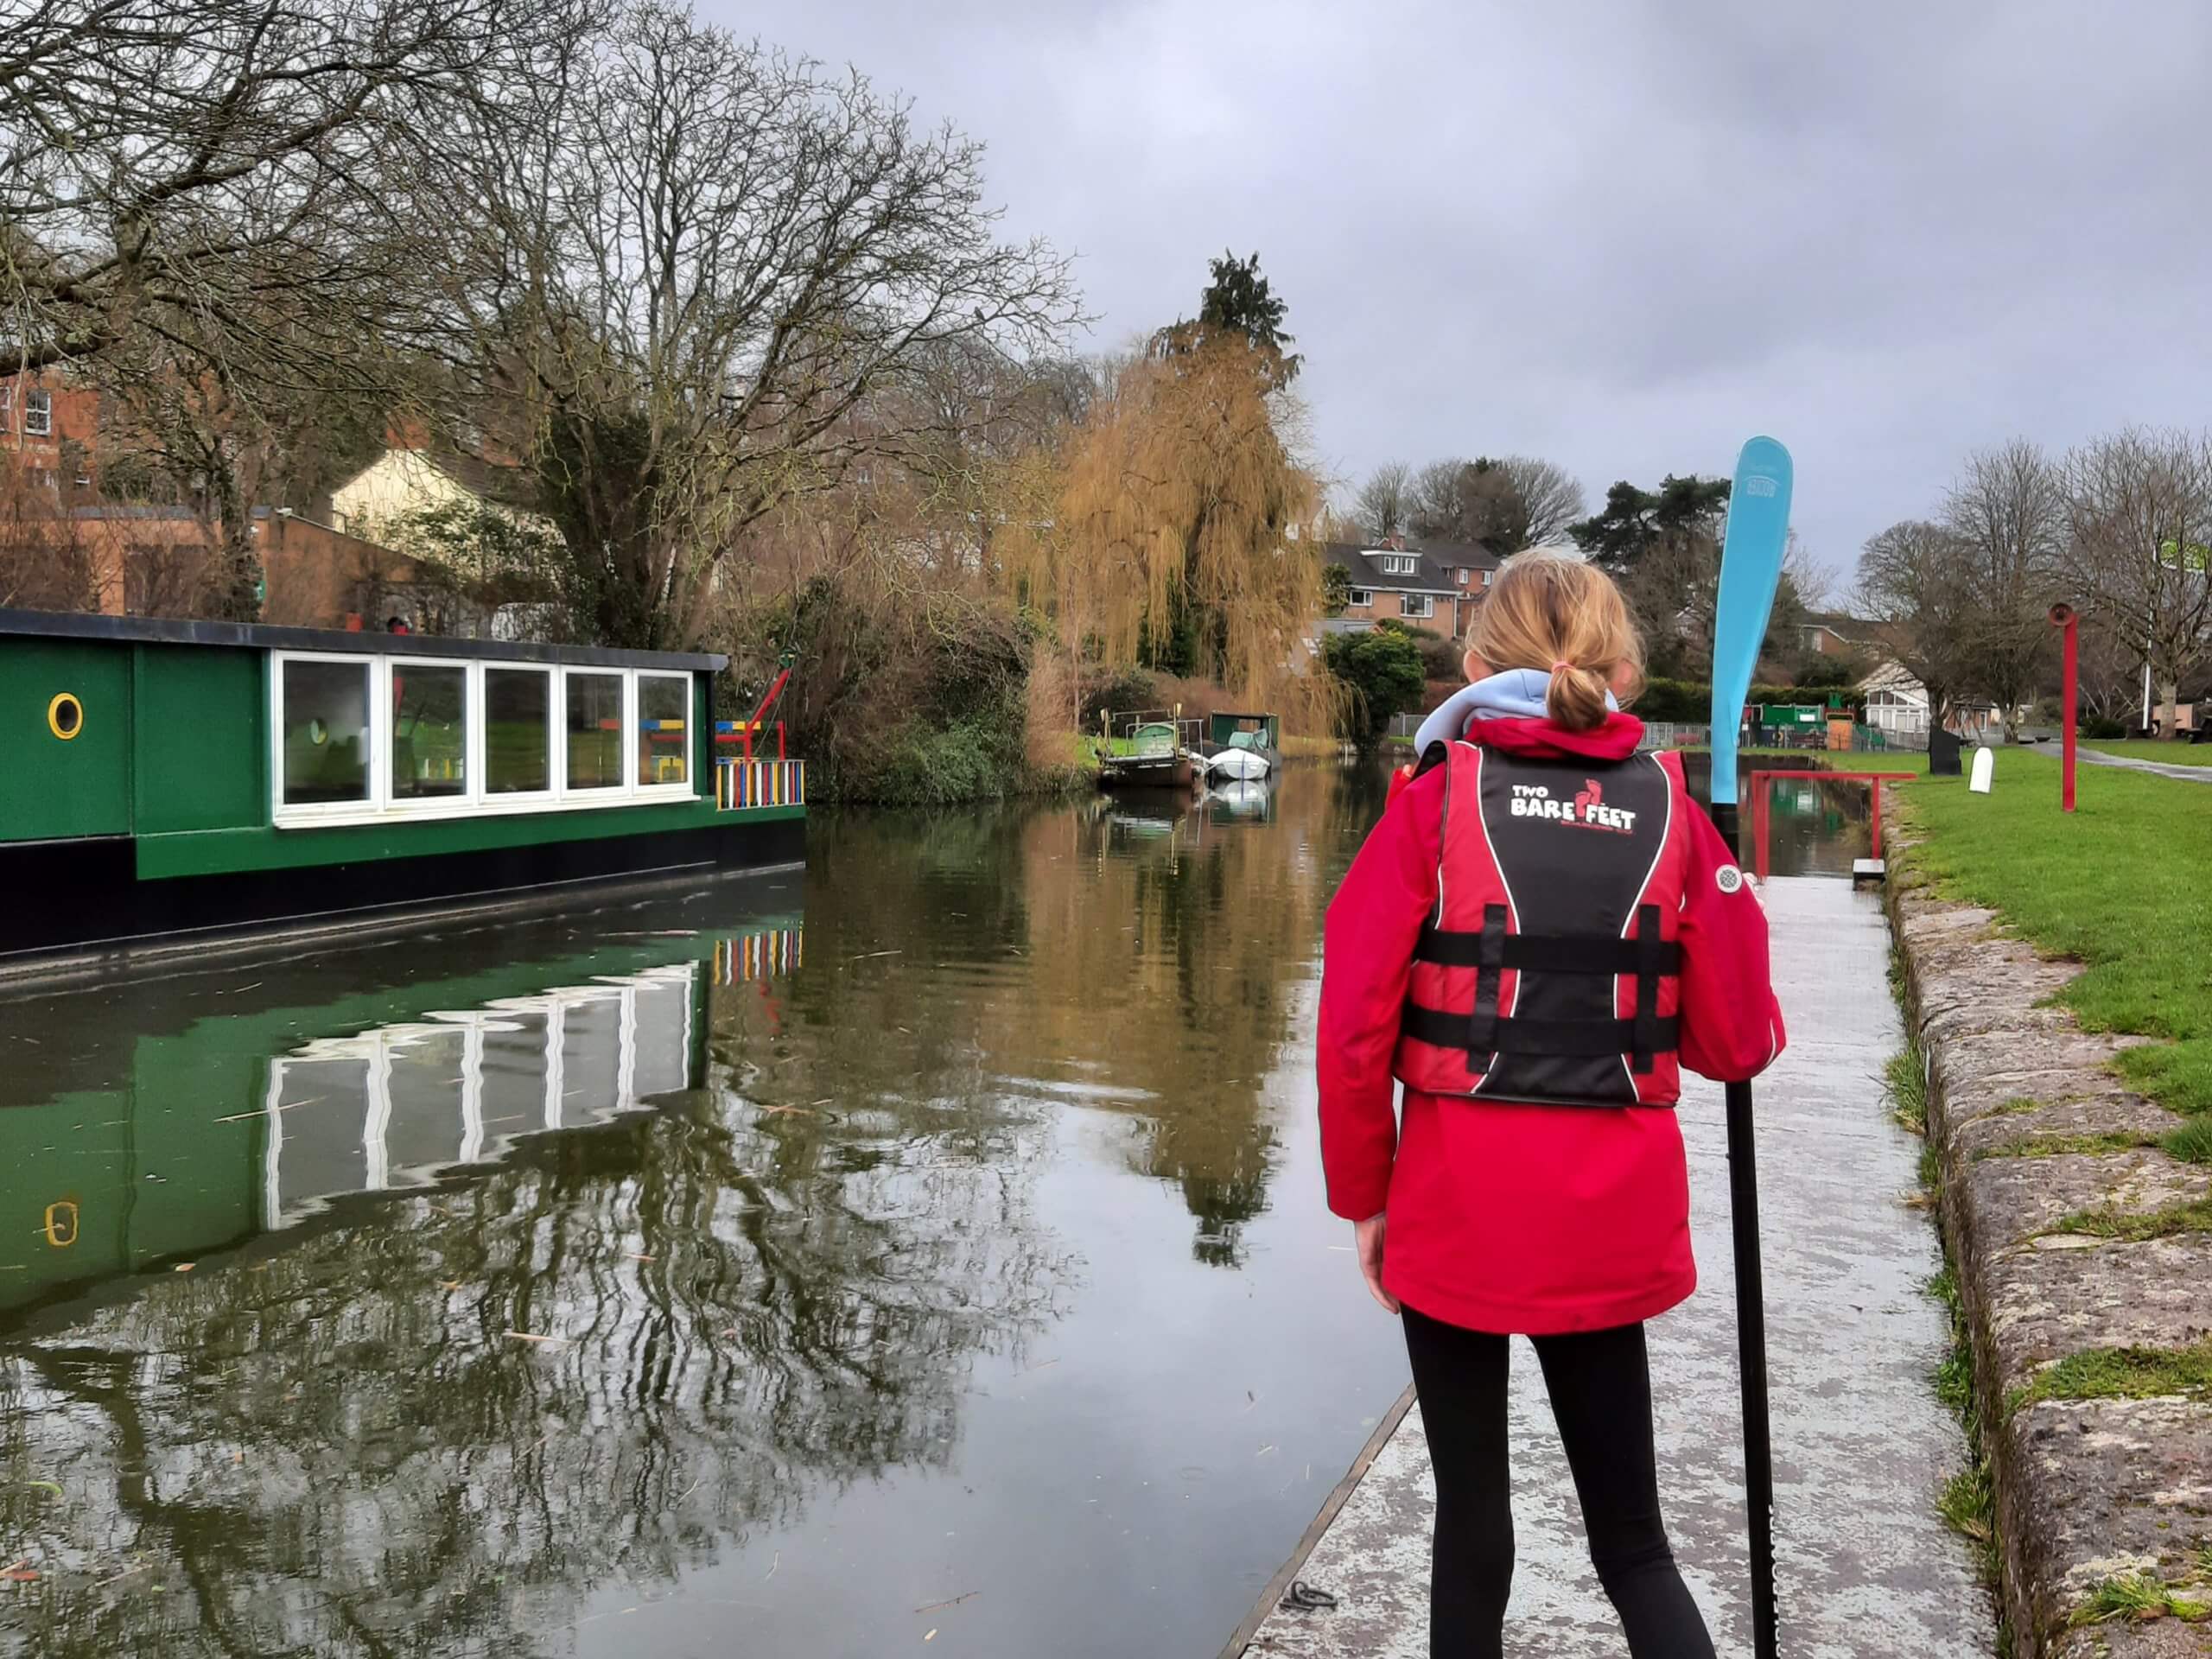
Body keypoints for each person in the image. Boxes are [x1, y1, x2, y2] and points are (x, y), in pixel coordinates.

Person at [1318, 554, 1786, 1659]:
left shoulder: (1432, 805)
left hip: (1455, 1215)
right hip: (1609, 1223)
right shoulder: (1674, 811)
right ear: (1622, 669)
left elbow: (1349, 1031)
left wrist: (1363, 1203)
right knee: (1634, 1546)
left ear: (1474, 667)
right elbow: (1734, 1046)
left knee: (1472, 1528)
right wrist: (1732, 906)